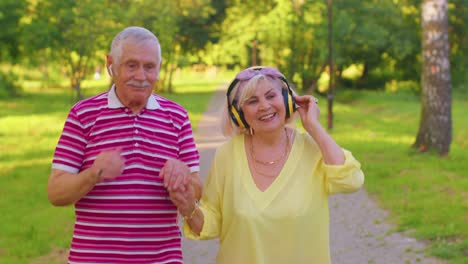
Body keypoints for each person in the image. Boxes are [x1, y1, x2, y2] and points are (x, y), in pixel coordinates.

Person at [169, 66, 365, 264]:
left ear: (288, 100)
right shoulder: (226, 155)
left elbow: (351, 181)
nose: (264, 106)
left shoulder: (313, 148)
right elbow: (211, 222)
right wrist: (188, 209)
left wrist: (313, 126)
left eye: (271, 96)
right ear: (239, 113)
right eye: (252, 101)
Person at [47, 26, 202, 263]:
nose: (141, 76)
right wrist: (93, 174)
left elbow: (197, 188)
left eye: (149, 67)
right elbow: (56, 193)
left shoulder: (177, 116)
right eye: (131, 65)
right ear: (111, 64)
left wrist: (184, 178)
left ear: (159, 69)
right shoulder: (83, 114)